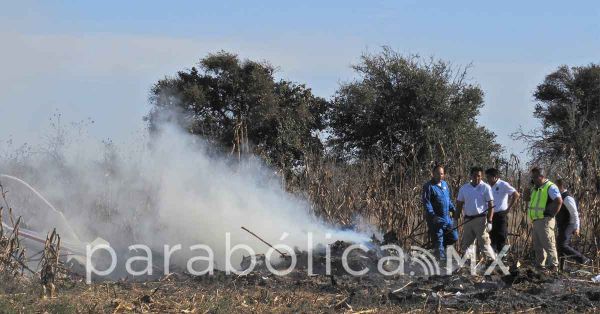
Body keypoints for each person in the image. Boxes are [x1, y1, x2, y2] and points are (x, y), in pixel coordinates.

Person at [457, 167, 496, 261]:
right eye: (474, 175)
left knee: (484, 243)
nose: (477, 178)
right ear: (471, 176)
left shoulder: (485, 187)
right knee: (467, 244)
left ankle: (492, 263)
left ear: (481, 176)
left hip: (481, 220)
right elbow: (459, 205)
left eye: (479, 176)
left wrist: (490, 221)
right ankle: (468, 266)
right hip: (468, 220)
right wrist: (455, 220)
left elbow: (491, 205)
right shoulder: (464, 188)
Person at [528, 167, 562, 271]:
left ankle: (554, 267)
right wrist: (527, 188)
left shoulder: (550, 187)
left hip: (545, 220)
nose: (533, 179)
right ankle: (540, 267)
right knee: (538, 246)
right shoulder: (535, 187)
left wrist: (551, 214)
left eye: (535, 177)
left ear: (542, 176)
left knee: (548, 244)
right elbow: (526, 199)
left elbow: (559, 201)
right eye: (532, 177)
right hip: (536, 220)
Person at [422, 164, 458, 260]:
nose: (440, 176)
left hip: (447, 218)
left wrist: (453, 210)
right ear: (433, 174)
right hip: (436, 219)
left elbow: (448, 200)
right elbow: (427, 203)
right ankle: (440, 262)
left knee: (454, 236)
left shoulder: (445, 185)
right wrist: (433, 216)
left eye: (442, 174)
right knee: (439, 240)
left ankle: (441, 251)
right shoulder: (428, 187)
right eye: (437, 173)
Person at [555, 179, 590, 268]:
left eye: (556, 186)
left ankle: (583, 259)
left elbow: (575, 214)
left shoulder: (567, 198)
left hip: (569, 224)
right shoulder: (561, 196)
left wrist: (577, 227)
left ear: (560, 186)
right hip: (562, 224)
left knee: (562, 245)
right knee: (560, 246)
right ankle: (561, 267)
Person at [485, 168, 520, 253]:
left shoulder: (503, 184)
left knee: (501, 236)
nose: (488, 179)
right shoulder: (487, 186)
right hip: (490, 215)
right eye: (487, 177)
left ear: (495, 177)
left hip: (500, 215)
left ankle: (503, 259)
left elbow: (516, 194)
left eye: (489, 177)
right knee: (491, 236)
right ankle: (493, 258)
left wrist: (508, 208)